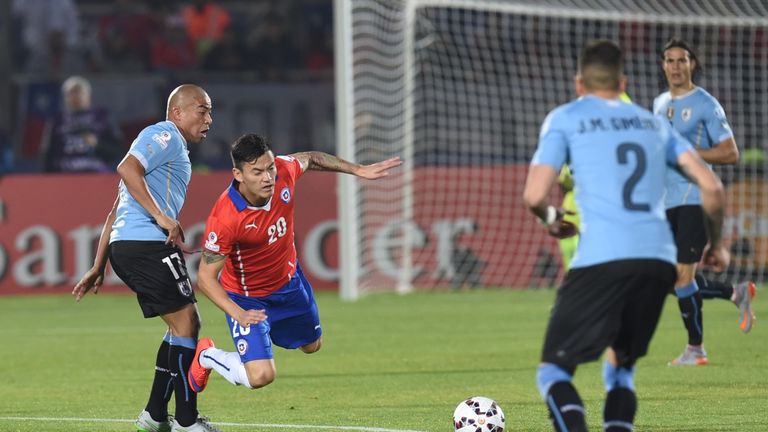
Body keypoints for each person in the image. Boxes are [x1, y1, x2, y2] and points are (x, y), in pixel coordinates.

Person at [524, 40, 728, 432]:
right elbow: (713, 189)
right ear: (623, 83)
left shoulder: (565, 118)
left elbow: (534, 196)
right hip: (656, 262)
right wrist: (717, 244)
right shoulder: (654, 123)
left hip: (601, 257)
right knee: (620, 370)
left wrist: (551, 217)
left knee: (553, 371)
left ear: (579, 83)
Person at [72, 84, 250, 432]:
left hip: (135, 244)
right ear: (177, 112)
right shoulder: (164, 135)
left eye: (210, 112)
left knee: (180, 327)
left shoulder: (166, 149)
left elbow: (116, 208)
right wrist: (160, 216)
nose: (209, 119)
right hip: (146, 243)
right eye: (202, 110)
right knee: (188, 324)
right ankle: (186, 420)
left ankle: (155, 414)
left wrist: (98, 264)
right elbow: (126, 168)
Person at [187, 134, 401, 396]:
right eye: (257, 172)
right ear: (238, 174)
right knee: (261, 376)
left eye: (270, 168)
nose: (267, 177)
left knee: (312, 346)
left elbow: (311, 158)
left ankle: (263, 338)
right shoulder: (226, 217)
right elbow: (205, 278)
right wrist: (238, 313)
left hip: (289, 285)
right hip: (247, 299)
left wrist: (357, 170)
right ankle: (207, 355)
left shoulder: (284, 172)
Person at [653, 38, 756, 366]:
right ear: (663, 65)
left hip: (694, 196)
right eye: (670, 60)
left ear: (692, 64)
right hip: (666, 201)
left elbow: (730, 153)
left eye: (682, 60)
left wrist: (686, 153)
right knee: (667, 278)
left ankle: (695, 349)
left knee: (683, 277)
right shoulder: (658, 103)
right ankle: (734, 293)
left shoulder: (706, 104)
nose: (675, 66)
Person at [41, 76, 123, 173]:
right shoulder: (57, 120)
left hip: (96, 172)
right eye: (71, 94)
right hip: (65, 172)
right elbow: (47, 154)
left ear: (88, 95)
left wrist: (97, 144)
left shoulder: (102, 117)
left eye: (79, 93)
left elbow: (118, 150)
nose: (76, 97)